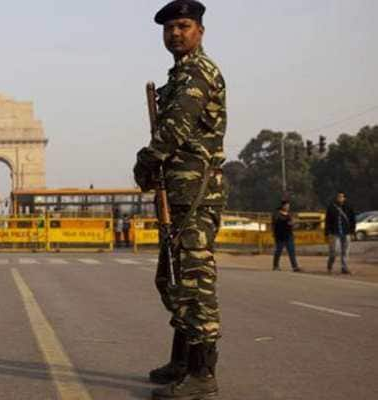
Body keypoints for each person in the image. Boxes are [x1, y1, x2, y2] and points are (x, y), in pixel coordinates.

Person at [133, 1, 226, 398]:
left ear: (200, 30)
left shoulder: (198, 73)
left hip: (196, 194)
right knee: (171, 278)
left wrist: (145, 161)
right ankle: (182, 360)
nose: (175, 33)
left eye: (183, 26)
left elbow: (173, 130)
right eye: (169, 27)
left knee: (193, 283)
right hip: (180, 194)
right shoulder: (178, 76)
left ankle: (202, 374)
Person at [324, 191, 356, 275]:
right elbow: (327, 221)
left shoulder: (349, 207)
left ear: (344, 198)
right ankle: (330, 265)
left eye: (341, 197)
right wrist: (326, 233)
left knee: (345, 252)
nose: (340, 198)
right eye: (338, 196)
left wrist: (352, 232)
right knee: (334, 252)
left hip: (346, 232)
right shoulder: (331, 207)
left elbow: (353, 220)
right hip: (334, 233)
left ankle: (344, 268)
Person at [272, 201, 301, 272]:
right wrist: (288, 223)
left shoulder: (289, 215)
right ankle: (275, 265)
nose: (288, 207)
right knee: (278, 251)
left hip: (289, 235)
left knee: (291, 251)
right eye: (286, 206)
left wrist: (294, 225)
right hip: (280, 236)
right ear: (283, 206)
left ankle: (295, 267)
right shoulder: (277, 214)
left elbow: (292, 224)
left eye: (288, 206)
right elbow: (278, 223)